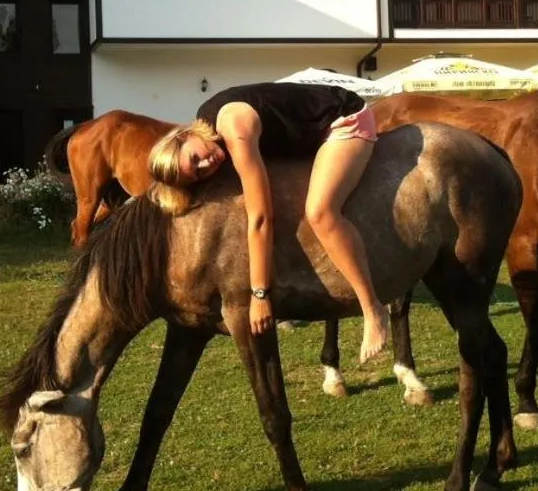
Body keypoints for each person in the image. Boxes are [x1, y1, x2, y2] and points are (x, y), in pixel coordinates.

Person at [148, 81, 390, 364]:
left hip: (342, 120)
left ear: (187, 134)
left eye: (195, 157)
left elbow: (261, 218)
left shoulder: (235, 128)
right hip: (304, 135)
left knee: (321, 213)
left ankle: (373, 308)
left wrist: (260, 295)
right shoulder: (209, 128)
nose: (206, 165)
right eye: (198, 174)